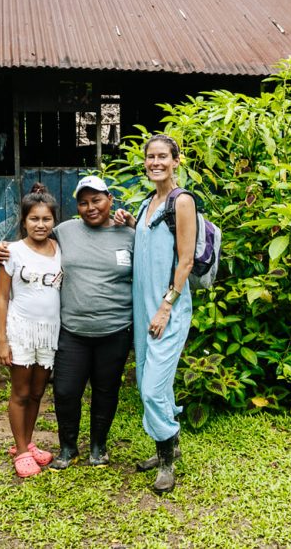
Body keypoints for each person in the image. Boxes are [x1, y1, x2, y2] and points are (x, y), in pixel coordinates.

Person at [0, 176, 134, 470]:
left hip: (115, 328)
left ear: (110, 199)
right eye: (83, 202)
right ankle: (67, 448)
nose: (90, 207)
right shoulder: (65, 232)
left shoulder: (129, 234)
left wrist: (133, 223)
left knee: (106, 390)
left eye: (96, 200)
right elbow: (32, 238)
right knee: (66, 391)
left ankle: (98, 447)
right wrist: (3, 247)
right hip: (71, 331)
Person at [114, 133, 195, 495]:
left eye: (163, 156)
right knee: (151, 383)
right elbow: (153, 241)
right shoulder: (150, 201)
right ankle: (167, 444)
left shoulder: (182, 201)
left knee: (151, 389)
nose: (156, 162)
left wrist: (166, 306)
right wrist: (132, 223)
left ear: (176, 161)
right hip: (144, 307)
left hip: (167, 310)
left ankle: (167, 458)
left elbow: (187, 258)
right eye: (150, 157)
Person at [0, 183, 62, 478]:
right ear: (23, 221)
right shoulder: (11, 251)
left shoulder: (59, 248)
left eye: (46, 219)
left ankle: (28, 442)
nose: (40, 224)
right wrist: (1, 340)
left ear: (54, 221)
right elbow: (1, 297)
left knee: (37, 392)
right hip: (21, 330)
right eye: (34, 218)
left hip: (49, 332)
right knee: (20, 391)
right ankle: (20, 450)